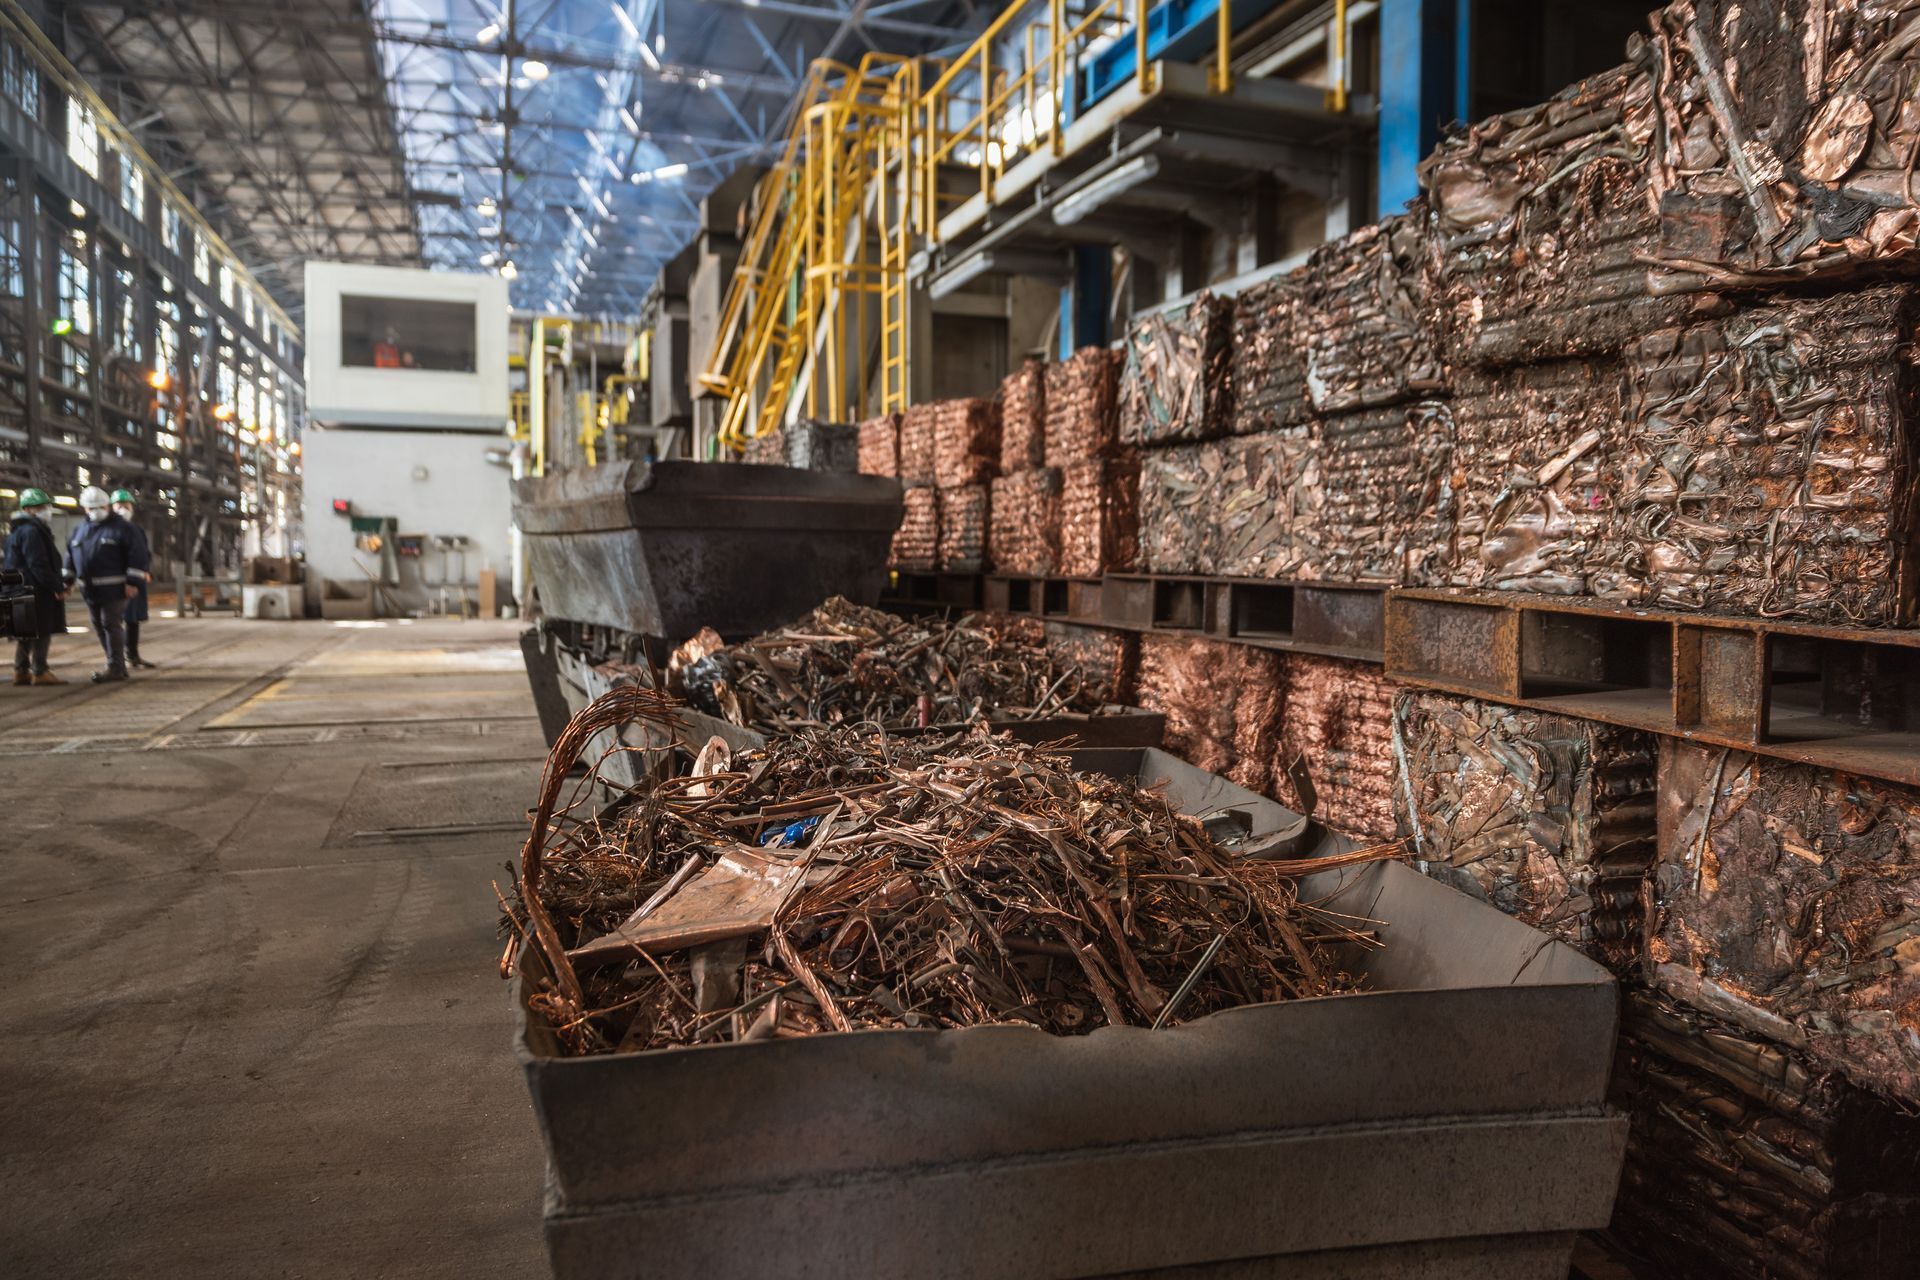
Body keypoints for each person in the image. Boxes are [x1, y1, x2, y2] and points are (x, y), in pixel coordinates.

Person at [65, 484, 148, 683]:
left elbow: (138, 555)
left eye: (100, 507)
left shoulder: (123, 528)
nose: (96, 511)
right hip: (90, 590)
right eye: (91, 508)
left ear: (107, 506)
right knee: (99, 626)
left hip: (115, 588)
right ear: (85, 509)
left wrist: (133, 582)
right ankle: (116, 663)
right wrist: (66, 581)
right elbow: (71, 556)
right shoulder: (80, 530)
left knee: (110, 623)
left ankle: (115, 667)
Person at [4, 488, 67, 685]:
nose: (47, 510)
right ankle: (40, 671)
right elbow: (38, 564)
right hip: (34, 588)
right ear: (29, 509)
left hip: (18, 588)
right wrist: (57, 586)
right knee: (42, 630)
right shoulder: (32, 531)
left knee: (25, 632)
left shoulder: (17, 530)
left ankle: (21, 671)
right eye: (41, 507)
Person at [109, 488, 155, 668]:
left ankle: (133, 656)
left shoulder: (136, 530)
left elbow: (143, 554)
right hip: (115, 581)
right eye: (119, 506)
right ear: (111, 508)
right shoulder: (107, 530)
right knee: (113, 622)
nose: (123, 509)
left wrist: (145, 571)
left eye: (126, 505)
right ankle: (117, 659)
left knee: (133, 619)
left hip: (134, 581)